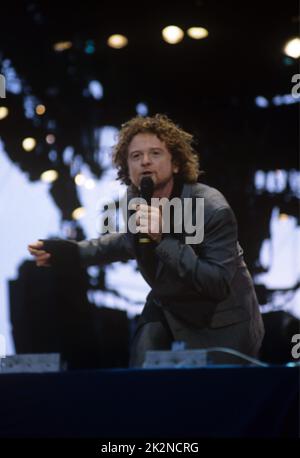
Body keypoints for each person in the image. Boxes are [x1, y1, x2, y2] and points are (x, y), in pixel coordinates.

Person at [28, 114, 265, 367]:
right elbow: (126, 242)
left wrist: (164, 238)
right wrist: (72, 253)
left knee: (214, 396)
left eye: (155, 153)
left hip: (222, 318)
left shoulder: (211, 208)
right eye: (136, 156)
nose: (145, 162)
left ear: (175, 163)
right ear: (126, 169)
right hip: (169, 303)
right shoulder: (136, 199)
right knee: (141, 363)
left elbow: (216, 283)